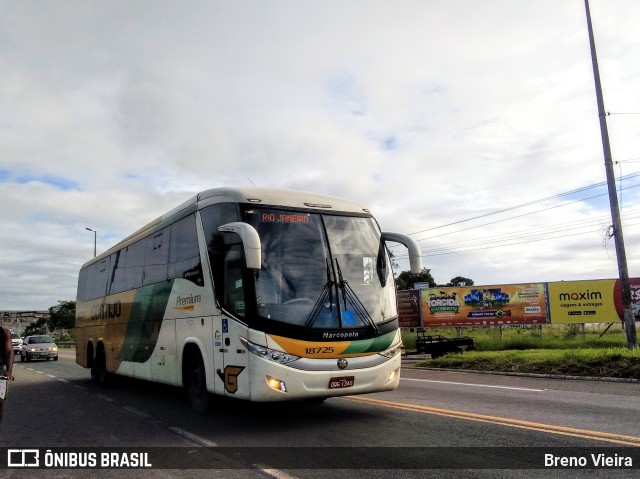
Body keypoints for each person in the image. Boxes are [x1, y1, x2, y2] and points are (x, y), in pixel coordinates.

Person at [0, 325, 15, 423]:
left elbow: (9, 351)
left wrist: (8, 372)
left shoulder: (4, 332)